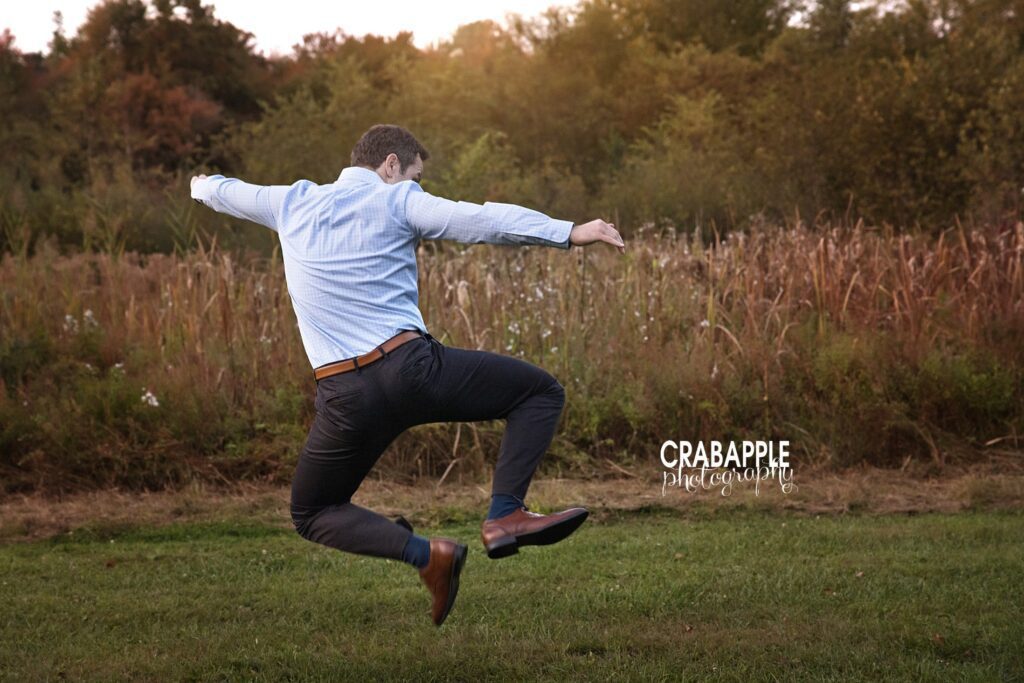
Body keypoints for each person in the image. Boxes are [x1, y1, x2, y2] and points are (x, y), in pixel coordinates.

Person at [190, 124, 626, 627]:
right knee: (539, 392)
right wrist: (569, 231)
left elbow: (224, 191)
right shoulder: (396, 202)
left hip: (344, 396)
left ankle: (427, 555)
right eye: (414, 175)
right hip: (411, 372)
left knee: (312, 512)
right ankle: (505, 515)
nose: (416, 185)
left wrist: (200, 185)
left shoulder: (290, 202)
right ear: (391, 165)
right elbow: (479, 220)